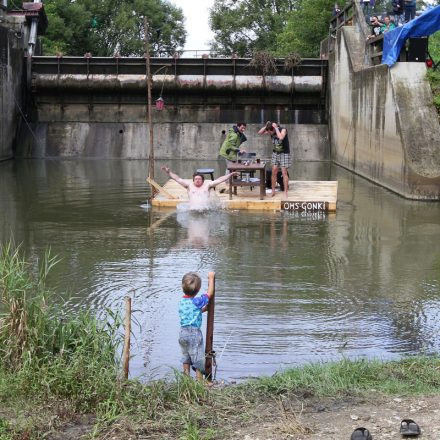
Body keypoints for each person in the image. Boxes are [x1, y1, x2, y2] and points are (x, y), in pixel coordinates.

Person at [178, 271, 215, 382]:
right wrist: (211, 278)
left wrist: (203, 310)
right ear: (198, 290)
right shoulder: (197, 301)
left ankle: (186, 379)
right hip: (194, 333)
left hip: (182, 333)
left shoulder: (182, 301)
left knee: (186, 356)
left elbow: (191, 314)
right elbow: (210, 294)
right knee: (198, 358)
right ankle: (199, 382)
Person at [161, 166, 238, 210]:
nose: (197, 181)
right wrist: (168, 172)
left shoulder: (207, 185)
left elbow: (220, 180)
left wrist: (230, 174)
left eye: (199, 179)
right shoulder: (188, 185)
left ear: (203, 180)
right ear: (193, 180)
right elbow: (177, 179)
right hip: (192, 210)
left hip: (205, 210)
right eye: (196, 179)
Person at [258, 121, 291, 198]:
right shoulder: (270, 130)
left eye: (270, 132)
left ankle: (285, 192)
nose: (270, 134)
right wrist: (266, 126)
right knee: (274, 171)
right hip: (275, 153)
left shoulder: (283, 130)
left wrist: (276, 128)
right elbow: (259, 133)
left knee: (284, 172)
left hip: (284, 153)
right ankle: (273, 191)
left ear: (273, 129)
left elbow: (281, 137)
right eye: (268, 132)